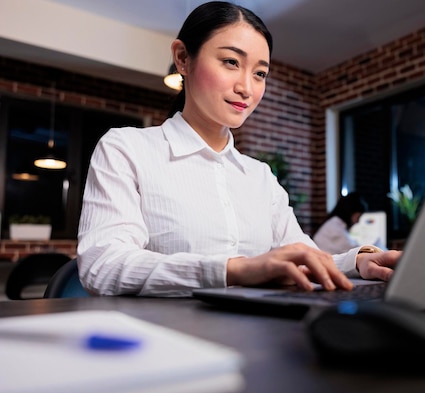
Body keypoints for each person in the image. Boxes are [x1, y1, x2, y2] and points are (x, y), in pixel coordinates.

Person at [77, 1, 401, 297]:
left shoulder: (259, 176)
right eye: (231, 62)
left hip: (256, 338)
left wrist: (358, 262)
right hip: (160, 343)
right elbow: (102, 265)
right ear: (182, 58)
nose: (246, 87)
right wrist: (233, 270)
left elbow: (303, 255)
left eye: (260, 73)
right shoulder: (127, 149)